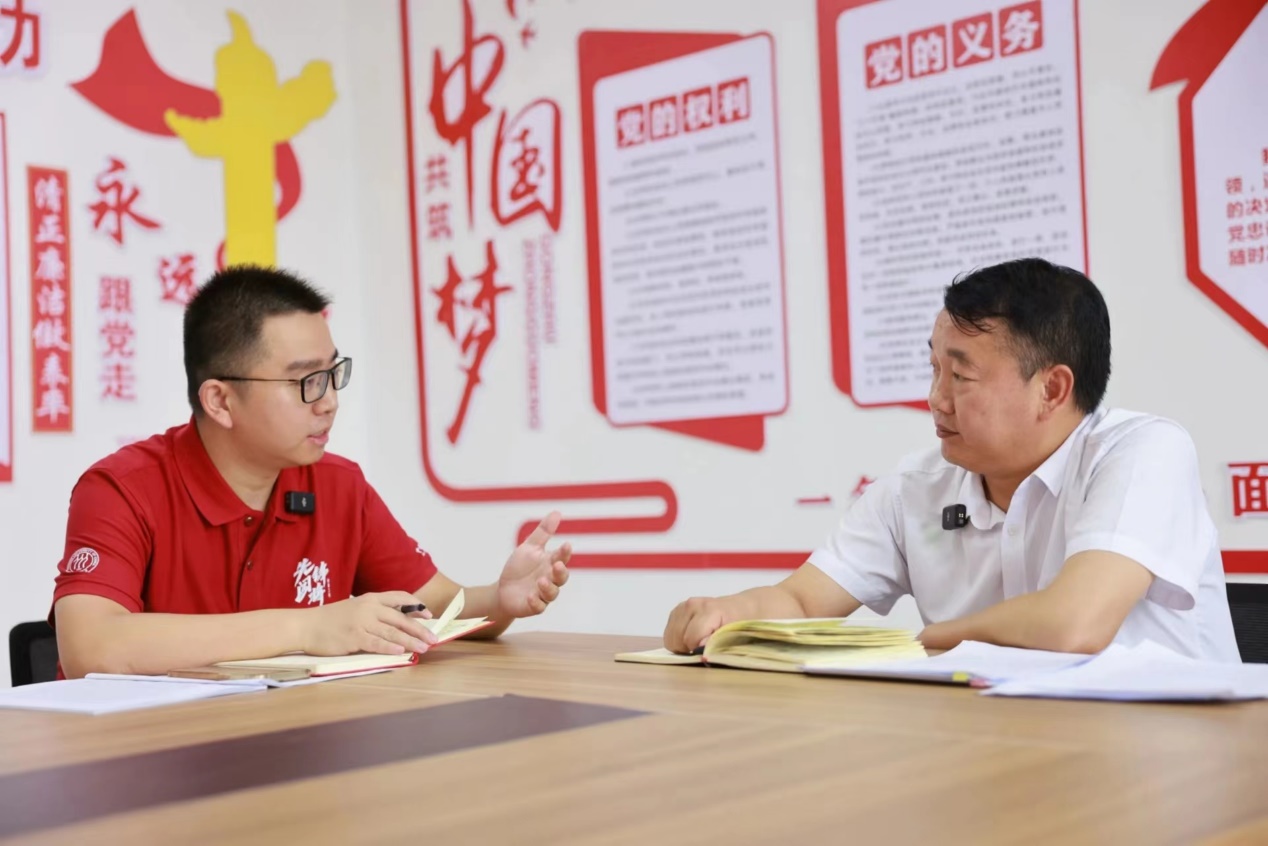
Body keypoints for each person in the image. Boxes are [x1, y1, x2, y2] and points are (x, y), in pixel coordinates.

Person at [664, 258, 1240, 662]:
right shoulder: (913, 490)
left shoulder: (1142, 452)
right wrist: (728, 613)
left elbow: (1074, 623)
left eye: (961, 376)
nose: (936, 398)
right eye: (934, 369)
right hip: (1010, 751)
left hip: (1175, 763)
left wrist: (924, 642)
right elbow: (801, 600)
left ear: (1052, 389)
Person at [52, 265, 571, 678]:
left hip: (293, 749)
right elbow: (91, 647)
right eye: (306, 381)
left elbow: (435, 606)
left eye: (332, 374)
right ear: (221, 401)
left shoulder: (339, 485)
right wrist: (309, 628)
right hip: (148, 759)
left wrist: (500, 601)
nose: (329, 402)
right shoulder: (124, 489)